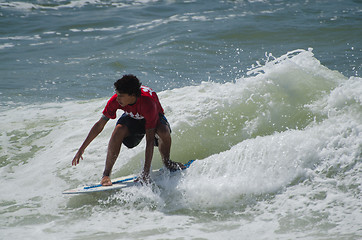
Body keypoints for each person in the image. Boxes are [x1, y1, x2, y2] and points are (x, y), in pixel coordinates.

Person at [72, 74, 184, 185]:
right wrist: (82, 149)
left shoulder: (148, 103)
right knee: (118, 131)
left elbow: (149, 141)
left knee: (163, 131)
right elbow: (99, 125)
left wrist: (146, 173)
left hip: (153, 116)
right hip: (133, 117)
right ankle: (106, 174)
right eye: (117, 94)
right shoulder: (115, 101)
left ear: (132, 95)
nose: (117, 98)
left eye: (121, 95)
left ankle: (167, 162)